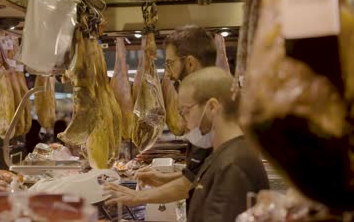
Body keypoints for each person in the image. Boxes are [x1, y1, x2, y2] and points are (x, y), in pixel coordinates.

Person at [105, 68, 269, 222]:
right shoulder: (223, 155)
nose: (184, 124)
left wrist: (138, 197)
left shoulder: (234, 164)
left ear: (212, 107)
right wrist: (160, 181)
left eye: (186, 111)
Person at [133, 25, 217, 204]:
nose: (168, 74)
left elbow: (192, 184)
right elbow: (200, 175)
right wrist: (160, 178)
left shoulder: (208, 109)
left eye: (170, 63)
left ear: (190, 63)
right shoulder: (205, 102)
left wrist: (135, 197)